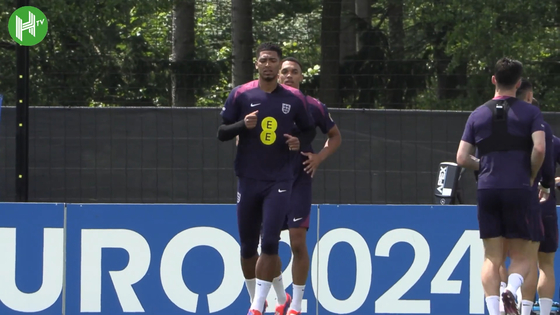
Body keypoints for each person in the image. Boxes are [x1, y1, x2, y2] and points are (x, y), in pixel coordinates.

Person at [216, 42, 316, 315]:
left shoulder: (294, 100)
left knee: (270, 241)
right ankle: (255, 300)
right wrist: (242, 125)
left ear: (278, 63)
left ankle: (258, 308)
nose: (269, 65)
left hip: (280, 180)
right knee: (248, 247)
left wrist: (299, 141)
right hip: (249, 178)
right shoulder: (241, 95)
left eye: (273, 60)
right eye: (264, 60)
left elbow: (309, 130)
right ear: (257, 64)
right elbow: (222, 132)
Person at [455, 57, 547, 315]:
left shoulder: (477, 114)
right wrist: (531, 173)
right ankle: (512, 288)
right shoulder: (531, 112)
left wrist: (483, 166)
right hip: (519, 186)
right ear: (518, 84)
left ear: (494, 79)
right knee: (521, 255)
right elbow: (539, 148)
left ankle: (494, 310)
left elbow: (461, 158)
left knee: (491, 257)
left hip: (487, 188)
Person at [262, 57, 341, 315]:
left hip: (299, 179)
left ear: (301, 77)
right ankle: (279, 295)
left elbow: (335, 136)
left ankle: (296, 304)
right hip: (270, 180)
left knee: (297, 242)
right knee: (269, 243)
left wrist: (319, 157)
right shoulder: (264, 101)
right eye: (284, 71)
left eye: (294, 71)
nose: (288, 75)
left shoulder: (313, 106)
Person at [495, 80, 554, 315]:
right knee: (535, 260)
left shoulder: (493, 123)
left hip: (498, 193)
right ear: (529, 98)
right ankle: (526, 308)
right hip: (531, 197)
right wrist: (547, 184)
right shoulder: (541, 129)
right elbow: (546, 160)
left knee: (495, 256)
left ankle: (499, 306)